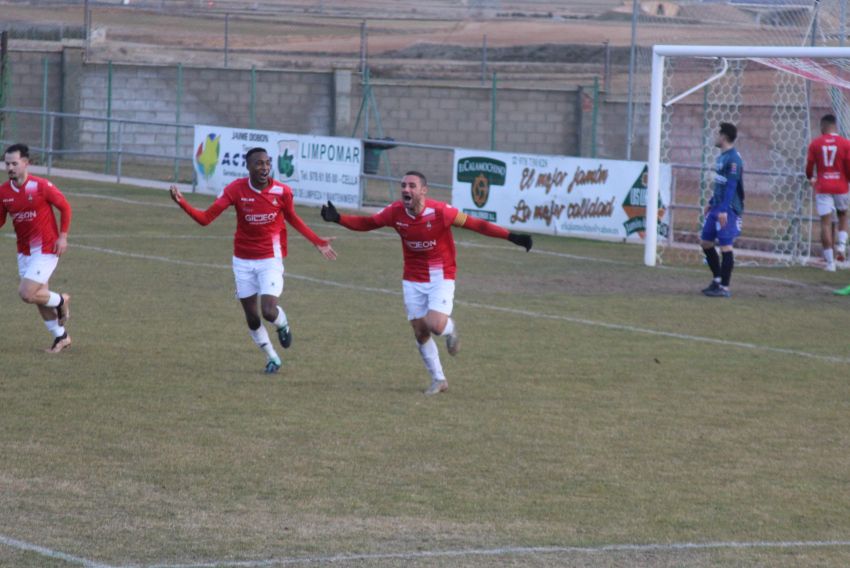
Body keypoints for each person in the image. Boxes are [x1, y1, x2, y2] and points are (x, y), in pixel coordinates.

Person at [320, 171, 532, 395]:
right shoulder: (395, 212)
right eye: (403, 185)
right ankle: (439, 380)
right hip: (412, 278)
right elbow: (367, 223)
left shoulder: (441, 212)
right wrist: (338, 218)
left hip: (441, 274)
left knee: (436, 325)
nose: (405, 190)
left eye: (412, 186)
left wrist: (511, 236)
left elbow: (476, 225)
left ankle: (450, 330)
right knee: (421, 332)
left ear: (424, 190)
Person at [170, 147, 337, 373]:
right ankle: (272, 358)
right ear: (248, 166)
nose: (264, 167)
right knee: (252, 317)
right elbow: (205, 219)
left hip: (270, 257)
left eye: (267, 163)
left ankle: (282, 324)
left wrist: (317, 240)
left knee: (269, 310)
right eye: (259, 163)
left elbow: (293, 219)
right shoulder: (235, 190)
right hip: (242, 260)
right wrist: (182, 202)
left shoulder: (282, 191)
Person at [0, 143, 73, 353]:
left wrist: (63, 237)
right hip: (24, 252)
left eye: (14, 163)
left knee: (26, 293)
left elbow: (65, 207)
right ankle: (61, 337)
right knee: (39, 297)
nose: (10, 168)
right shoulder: (3, 192)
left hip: (47, 249)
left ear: (26, 163)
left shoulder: (40, 186)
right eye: (7, 164)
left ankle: (61, 300)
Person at [701, 122, 744, 298]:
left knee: (726, 245)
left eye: (718, 134)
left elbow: (732, 185)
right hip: (717, 206)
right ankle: (717, 279)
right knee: (706, 242)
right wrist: (711, 202)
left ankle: (724, 288)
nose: (715, 137)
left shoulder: (734, 159)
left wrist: (725, 210)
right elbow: (721, 183)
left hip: (728, 208)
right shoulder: (722, 157)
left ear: (724, 137)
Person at [806, 114, 850, 272]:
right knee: (843, 215)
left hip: (823, 186)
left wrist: (811, 177)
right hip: (841, 186)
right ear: (835, 126)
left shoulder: (815, 143)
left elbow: (810, 166)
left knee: (825, 223)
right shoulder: (846, 143)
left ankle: (830, 263)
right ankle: (842, 247)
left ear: (823, 126)